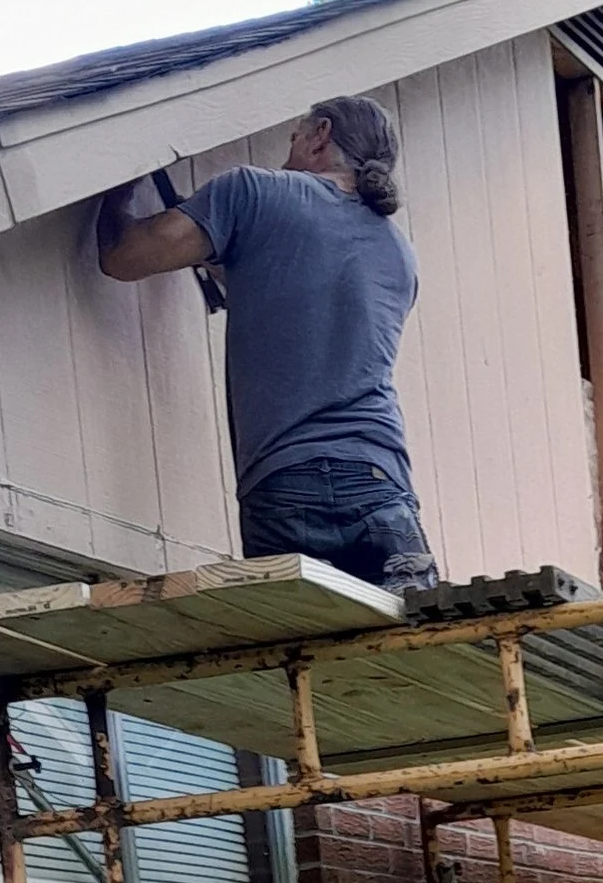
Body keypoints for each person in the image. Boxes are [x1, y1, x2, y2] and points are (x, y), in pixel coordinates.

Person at [95, 98, 439, 595]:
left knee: (303, 654)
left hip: (286, 482)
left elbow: (124, 258)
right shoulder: (399, 255)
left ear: (321, 135)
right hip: (381, 484)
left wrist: (119, 189)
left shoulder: (253, 192)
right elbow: (304, 301)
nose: (289, 150)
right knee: (407, 654)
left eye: (295, 137)